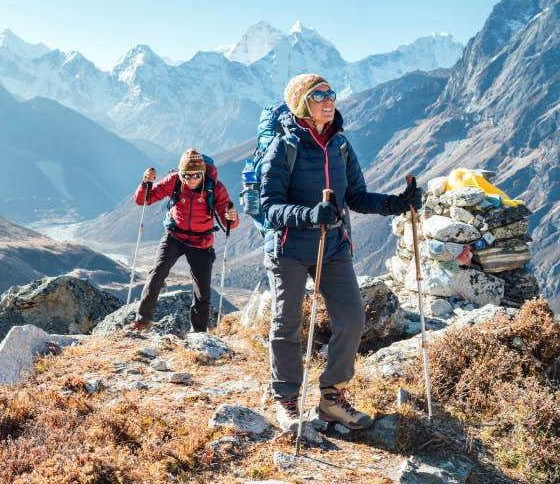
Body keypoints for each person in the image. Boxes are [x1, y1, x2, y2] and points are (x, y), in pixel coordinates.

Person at [260, 73, 422, 431]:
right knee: (286, 325)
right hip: (288, 248)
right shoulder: (284, 147)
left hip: (332, 246)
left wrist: (398, 203)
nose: (328, 100)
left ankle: (332, 398)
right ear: (302, 105)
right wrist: (308, 214)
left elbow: (358, 198)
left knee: (351, 319)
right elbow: (270, 207)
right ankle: (286, 400)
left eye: (330, 93)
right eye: (318, 95)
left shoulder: (340, 146)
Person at [128, 148, 239, 333]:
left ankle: (198, 333)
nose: (190, 179)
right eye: (186, 175)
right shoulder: (174, 181)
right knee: (156, 273)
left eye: (196, 175)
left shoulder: (215, 188)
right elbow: (144, 200)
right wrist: (145, 183)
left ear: (203, 173)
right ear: (180, 173)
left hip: (201, 242)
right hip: (174, 235)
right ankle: (142, 321)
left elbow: (230, 222)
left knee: (202, 291)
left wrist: (231, 217)